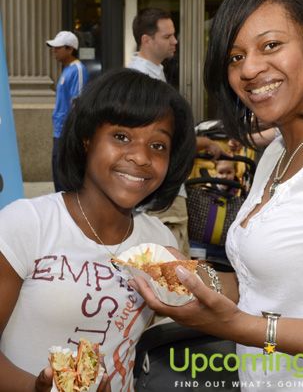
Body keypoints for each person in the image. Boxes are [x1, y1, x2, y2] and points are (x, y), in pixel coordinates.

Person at [131, 0, 303, 391]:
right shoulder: (277, 151)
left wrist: (242, 327)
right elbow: (263, 285)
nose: (250, 69)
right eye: (235, 57)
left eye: (270, 45)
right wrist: (194, 276)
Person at [0, 69, 196, 392]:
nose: (140, 157)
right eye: (121, 137)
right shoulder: (27, 224)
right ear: (87, 139)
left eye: (158, 145)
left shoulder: (160, 241)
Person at [128, 8, 224, 257]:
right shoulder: (141, 82)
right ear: (146, 40)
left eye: (174, 35)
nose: (175, 41)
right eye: (167, 36)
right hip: (159, 196)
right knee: (170, 274)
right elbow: (159, 139)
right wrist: (202, 141)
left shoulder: (151, 74)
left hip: (159, 192)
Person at [46, 30, 89, 192]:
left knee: (66, 178)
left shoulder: (77, 69)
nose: (54, 51)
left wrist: (72, 133)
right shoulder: (67, 69)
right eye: (53, 48)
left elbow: (77, 103)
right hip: (59, 131)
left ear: (70, 49)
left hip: (67, 132)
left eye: (58, 48)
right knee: (58, 175)